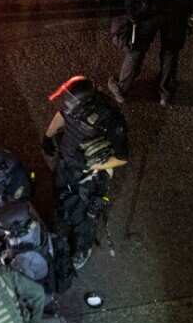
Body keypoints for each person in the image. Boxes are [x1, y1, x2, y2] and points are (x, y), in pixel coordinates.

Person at [42, 75, 129, 269]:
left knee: (84, 218)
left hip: (90, 175)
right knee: (61, 201)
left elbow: (122, 158)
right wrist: (48, 136)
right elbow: (63, 114)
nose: (66, 106)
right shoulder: (72, 104)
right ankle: (59, 232)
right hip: (67, 162)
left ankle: (82, 249)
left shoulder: (110, 119)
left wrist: (93, 167)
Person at [0, 200, 52, 288]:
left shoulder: (23, 261)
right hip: (32, 259)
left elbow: (21, 283)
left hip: (33, 275)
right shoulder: (29, 219)